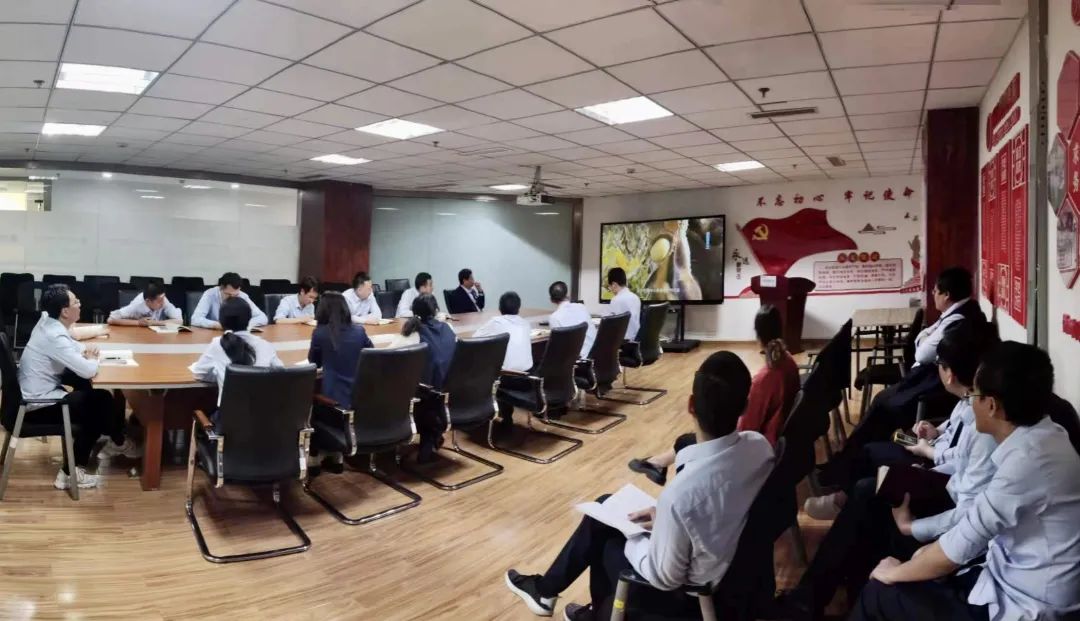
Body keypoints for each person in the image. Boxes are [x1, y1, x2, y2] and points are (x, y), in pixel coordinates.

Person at [505, 351, 774, 620]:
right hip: (729, 568)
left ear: (691, 405)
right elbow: (716, 508)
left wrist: (633, 536)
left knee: (607, 539)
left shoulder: (682, 496)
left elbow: (665, 578)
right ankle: (556, 595)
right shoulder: (759, 448)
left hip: (691, 598)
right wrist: (663, 522)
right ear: (745, 406)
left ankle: (580, 606)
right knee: (605, 506)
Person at [777, 324, 1000, 619]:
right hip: (947, 491)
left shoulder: (987, 427)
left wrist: (912, 526)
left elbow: (967, 516)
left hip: (953, 521)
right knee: (868, 491)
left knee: (868, 497)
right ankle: (828, 592)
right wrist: (931, 448)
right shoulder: (980, 410)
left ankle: (822, 595)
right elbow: (961, 459)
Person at [851, 342, 1080, 621]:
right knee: (908, 566)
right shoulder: (1047, 435)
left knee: (880, 591)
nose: (970, 403)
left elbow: (959, 545)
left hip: (1026, 603)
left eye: (974, 395)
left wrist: (893, 573)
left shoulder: (1027, 463)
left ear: (991, 406)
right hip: (1004, 573)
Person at [816, 267, 985, 489]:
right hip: (929, 419)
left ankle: (843, 470)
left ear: (946, 295)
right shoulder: (957, 315)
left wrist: (927, 449)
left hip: (929, 410)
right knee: (882, 409)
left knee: (882, 410)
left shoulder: (959, 320)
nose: (933, 295)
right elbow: (922, 342)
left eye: (935, 291)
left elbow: (922, 353)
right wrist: (936, 432)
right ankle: (844, 465)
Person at [628, 304, 799, 485]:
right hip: (773, 441)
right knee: (694, 436)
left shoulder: (765, 378)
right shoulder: (788, 361)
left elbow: (747, 427)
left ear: (757, 334)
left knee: (690, 439)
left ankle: (660, 464)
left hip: (758, 448)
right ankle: (658, 463)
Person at [16, 285, 137, 490]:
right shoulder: (54, 336)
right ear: (65, 311)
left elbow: (71, 347)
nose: (80, 304)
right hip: (37, 406)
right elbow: (88, 370)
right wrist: (91, 358)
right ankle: (70, 473)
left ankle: (115, 438)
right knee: (100, 402)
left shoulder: (48, 322)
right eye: (76, 302)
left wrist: (86, 352)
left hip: (34, 393)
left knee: (91, 394)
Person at [190, 296, 282, 410]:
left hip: (229, 418)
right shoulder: (265, 345)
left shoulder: (217, 344)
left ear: (221, 321)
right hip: (263, 416)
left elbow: (199, 374)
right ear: (249, 319)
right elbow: (281, 373)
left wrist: (220, 375)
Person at [399, 294, 456, 462]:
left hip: (428, 394)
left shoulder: (414, 333)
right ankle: (432, 434)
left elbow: (390, 354)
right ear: (436, 310)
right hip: (450, 390)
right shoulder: (448, 327)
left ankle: (430, 433)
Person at [307, 292, 374, 408]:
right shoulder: (359, 331)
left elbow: (314, 362)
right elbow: (372, 355)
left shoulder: (320, 333)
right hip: (361, 397)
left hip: (333, 402)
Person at [472, 291, 533, 372]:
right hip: (528, 371)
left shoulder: (496, 322)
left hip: (506, 374)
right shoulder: (525, 323)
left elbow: (475, 338)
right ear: (519, 307)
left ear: (500, 308)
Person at [190, 272, 268, 330]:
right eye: (229, 294)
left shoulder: (242, 296)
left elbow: (262, 317)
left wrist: (242, 324)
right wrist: (216, 325)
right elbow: (195, 319)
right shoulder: (209, 294)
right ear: (221, 288)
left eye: (236, 295)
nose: (233, 298)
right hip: (213, 334)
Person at [547, 281, 596, 359]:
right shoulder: (581, 307)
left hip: (576, 359)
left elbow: (558, 346)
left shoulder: (554, 318)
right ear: (567, 295)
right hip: (593, 354)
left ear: (551, 300)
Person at [107, 282, 182, 326]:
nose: (163, 303)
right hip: (136, 335)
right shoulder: (137, 305)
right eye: (159, 301)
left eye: (163, 299)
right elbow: (111, 319)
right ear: (148, 301)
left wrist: (156, 323)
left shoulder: (162, 299)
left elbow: (179, 321)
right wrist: (138, 323)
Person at [603, 267, 641, 341]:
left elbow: (609, 324)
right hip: (635, 339)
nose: (610, 289)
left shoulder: (616, 300)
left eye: (609, 286)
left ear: (614, 284)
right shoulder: (635, 297)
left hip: (623, 341)